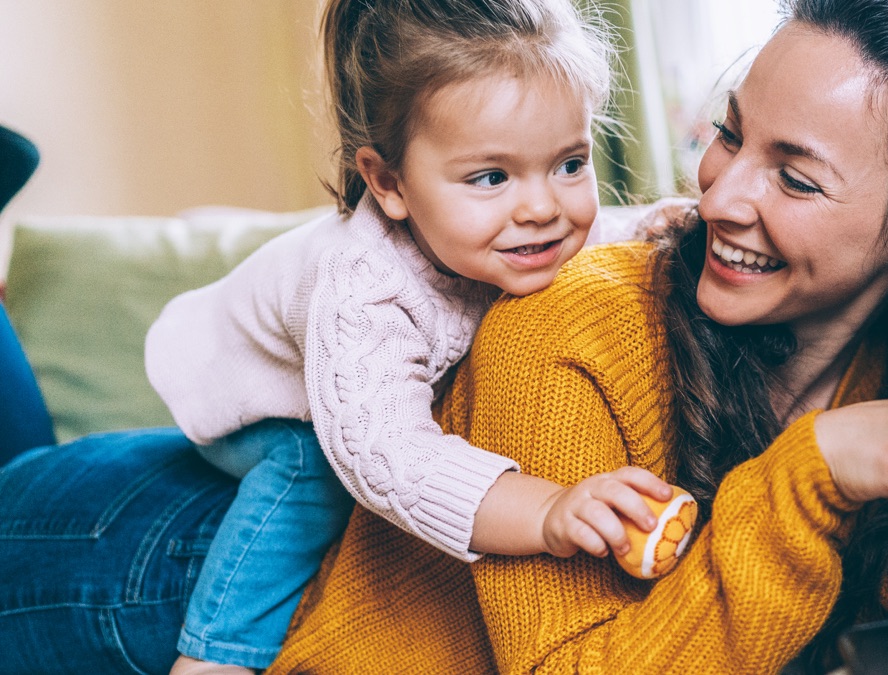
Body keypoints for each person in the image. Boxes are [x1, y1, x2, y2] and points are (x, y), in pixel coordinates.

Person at [266, 0, 888, 672]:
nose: (717, 195)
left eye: (794, 178)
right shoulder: (559, 327)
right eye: (730, 133)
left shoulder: (883, 361)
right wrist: (815, 470)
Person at [141, 1, 673, 673]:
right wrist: (547, 509)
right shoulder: (363, 286)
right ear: (389, 183)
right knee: (313, 472)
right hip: (246, 392)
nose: (544, 205)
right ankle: (215, 652)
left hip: (329, 375)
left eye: (570, 163)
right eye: (491, 177)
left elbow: (614, 231)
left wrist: (673, 224)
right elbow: (388, 458)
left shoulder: (534, 228)